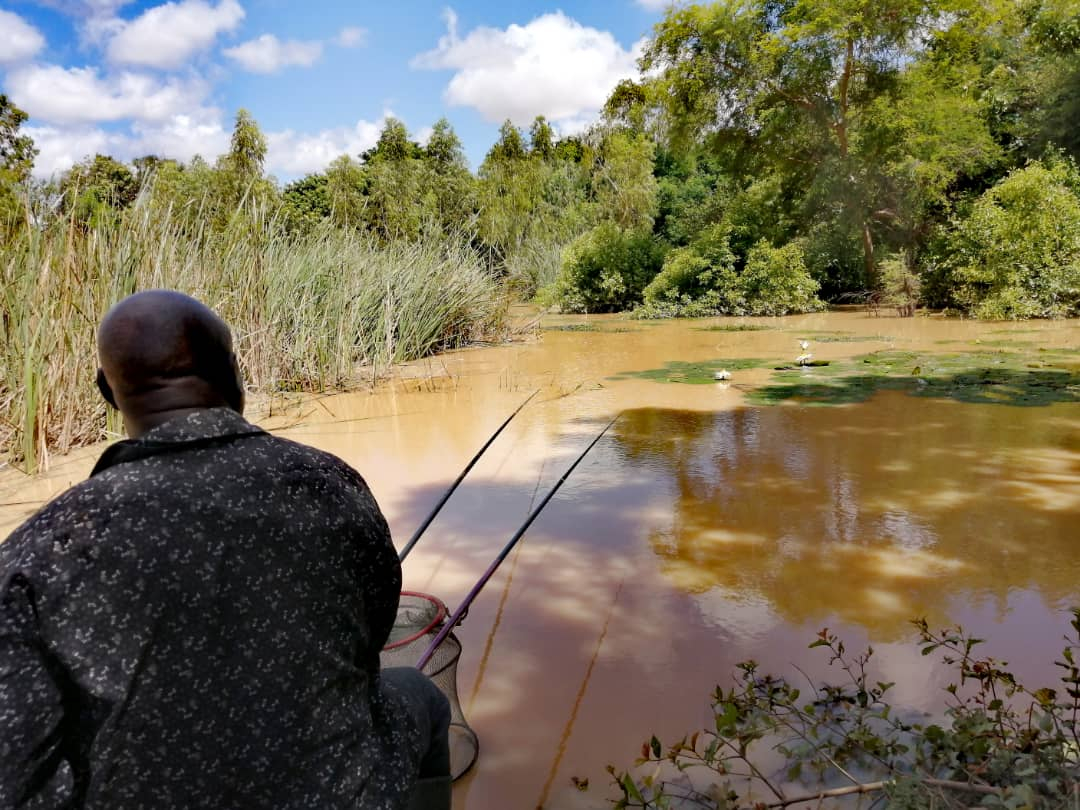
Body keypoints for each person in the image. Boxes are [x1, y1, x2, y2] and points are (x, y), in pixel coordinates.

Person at [0, 290, 451, 810]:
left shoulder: (39, 551)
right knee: (420, 697)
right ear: (235, 373)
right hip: (338, 791)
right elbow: (372, 634)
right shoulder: (330, 485)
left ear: (107, 391)